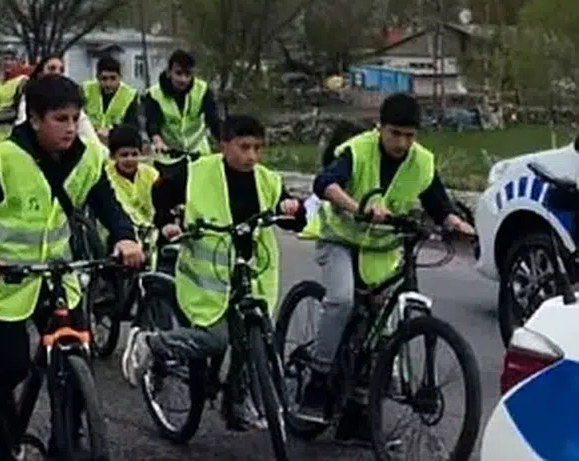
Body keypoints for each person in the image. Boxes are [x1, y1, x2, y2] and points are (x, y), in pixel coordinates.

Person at [0, 74, 144, 460]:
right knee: (11, 363)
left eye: (75, 119)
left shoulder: (88, 157)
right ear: (35, 119)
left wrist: (125, 237)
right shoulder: (3, 159)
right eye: (60, 119)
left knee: (76, 352)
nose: (70, 128)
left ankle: (67, 440)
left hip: (55, 274)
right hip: (3, 277)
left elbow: (107, 203)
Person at [296, 94, 474, 441]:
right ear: (380, 128)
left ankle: (357, 413)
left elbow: (438, 204)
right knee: (342, 301)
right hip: (341, 240)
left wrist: (455, 223)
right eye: (395, 133)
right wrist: (358, 207)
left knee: (379, 327)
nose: (403, 143)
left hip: (380, 250)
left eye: (410, 135)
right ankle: (317, 381)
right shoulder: (358, 150)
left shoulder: (421, 161)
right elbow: (325, 183)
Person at [122, 114, 304, 431]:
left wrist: (293, 210)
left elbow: (293, 216)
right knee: (215, 340)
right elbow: (160, 192)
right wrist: (168, 222)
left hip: (251, 273)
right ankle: (152, 343)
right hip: (206, 280)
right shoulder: (197, 171)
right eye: (244, 147)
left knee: (252, 335)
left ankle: (237, 400)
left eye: (257, 148)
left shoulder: (267, 179)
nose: (252, 156)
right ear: (224, 145)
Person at [143, 49, 221, 168]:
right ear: (169, 72)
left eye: (187, 74)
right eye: (178, 73)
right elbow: (152, 123)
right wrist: (158, 142)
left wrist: (226, 142)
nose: (183, 79)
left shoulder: (203, 90)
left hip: (198, 154)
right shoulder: (154, 94)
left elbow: (213, 120)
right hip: (168, 157)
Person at [14, 55, 100, 145]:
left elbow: (89, 135)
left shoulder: (71, 102)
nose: (57, 73)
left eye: (61, 70)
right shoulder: (28, 100)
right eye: (52, 68)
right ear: (40, 73)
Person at [82, 55, 140, 144]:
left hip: (115, 142)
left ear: (120, 77)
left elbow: (132, 127)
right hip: (88, 141)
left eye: (113, 78)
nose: (108, 83)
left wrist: (111, 132)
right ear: (97, 77)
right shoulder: (86, 90)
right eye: (104, 79)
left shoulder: (129, 94)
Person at [0, 49, 28, 144]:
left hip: (13, 133)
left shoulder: (22, 82)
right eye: (5, 59)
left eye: (12, 59)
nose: (8, 63)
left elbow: (19, 111)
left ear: (19, 62)